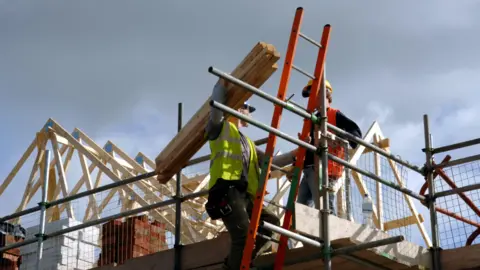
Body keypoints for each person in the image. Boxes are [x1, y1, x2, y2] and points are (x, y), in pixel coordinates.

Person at [204, 80, 295, 269]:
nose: (248, 113)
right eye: (246, 107)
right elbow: (215, 114)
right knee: (243, 237)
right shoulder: (219, 129)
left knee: (271, 223)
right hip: (227, 190)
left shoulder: (248, 143)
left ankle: (240, 262)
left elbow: (271, 163)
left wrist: (296, 155)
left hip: (245, 195)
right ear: (236, 106)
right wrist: (220, 87)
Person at [296, 79, 362, 216]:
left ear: (324, 94)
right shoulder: (312, 119)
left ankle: (328, 236)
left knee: (325, 209)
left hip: (325, 170)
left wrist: (339, 139)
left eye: (313, 95)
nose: (311, 100)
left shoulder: (334, 115)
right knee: (302, 211)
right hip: (309, 168)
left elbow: (355, 133)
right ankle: (307, 237)